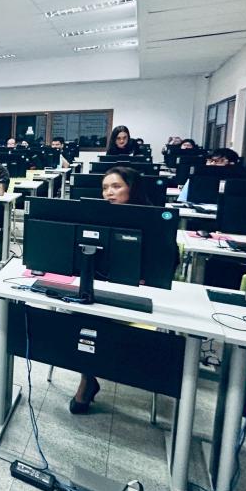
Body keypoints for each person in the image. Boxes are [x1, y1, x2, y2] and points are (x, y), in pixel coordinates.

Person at [70, 166, 153, 414]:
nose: (109, 192)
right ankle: (88, 377)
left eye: (116, 186)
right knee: (78, 315)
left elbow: (169, 262)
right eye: (105, 188)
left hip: (138, 294)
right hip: (98, 287)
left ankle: (91, 375)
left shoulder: (153, 219)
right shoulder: (96, 217)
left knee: (89, 319)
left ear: (132, 189)